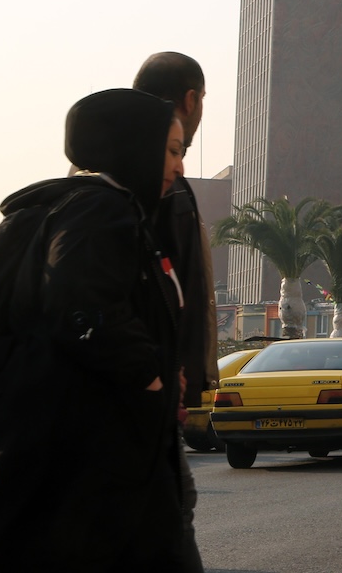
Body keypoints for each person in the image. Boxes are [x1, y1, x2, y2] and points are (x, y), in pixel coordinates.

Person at [0, 89, 189, 571]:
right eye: (172, 151)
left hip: (85, 451)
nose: (177, 167)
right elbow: (78, 305)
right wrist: (148, 373)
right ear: (135, 146)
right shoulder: (100, 210)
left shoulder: (100, 207)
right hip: (79, 454)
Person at [134, 51, 220, 573]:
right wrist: (173, 380)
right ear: (190, 100)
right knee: (170, 525)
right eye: (172, 152)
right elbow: (173, 298)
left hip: (147, 394)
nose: (179, 165)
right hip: (152, 397)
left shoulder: (98, 177)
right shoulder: (159, 190)